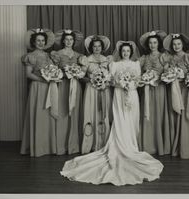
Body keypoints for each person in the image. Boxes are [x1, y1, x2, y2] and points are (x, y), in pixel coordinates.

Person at [60, 41, 163, 186]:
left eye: (128, 51)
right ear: (120, 52)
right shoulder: (114, 64)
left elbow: (139, 81)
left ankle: (131, 146)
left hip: (132, 95)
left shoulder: (135, 65)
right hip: (119, 94)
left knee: (132, 121)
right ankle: (119, 145)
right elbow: (112, 82)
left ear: (131, 52)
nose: (126, 53)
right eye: (124, 51)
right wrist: (121, 83)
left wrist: (130, 84)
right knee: (120, 120)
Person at [20, 28, 58, 157]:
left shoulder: (49, 55)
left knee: (48, 115)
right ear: (33, 42)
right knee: (38, 114)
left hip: (49, 87)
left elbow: (54, 70)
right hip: (38, 87)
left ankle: (48, 146)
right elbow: (28, 74)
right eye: (38, 41)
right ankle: (37, 147)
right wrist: (43, 79)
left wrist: (53, 77)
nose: (41, 43)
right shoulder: (30, 56)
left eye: (43, 41)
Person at [50, 29, 85, 155]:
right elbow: (53, 71)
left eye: (71, 39)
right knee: (63, 113)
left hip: (75, 86)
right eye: (67, 39)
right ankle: (61, 146)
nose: (69, 41)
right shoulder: (57, 54)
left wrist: (77, 73)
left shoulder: (79, 55)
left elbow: (83, 72)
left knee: (74, 114)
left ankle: (74, 145)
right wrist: (64, 74)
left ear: (74, 41)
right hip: (63, 86)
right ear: (63, 41)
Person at [163, 33, 189, 159]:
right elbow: (167, 73)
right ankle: (177, 146)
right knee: (176, 116)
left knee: (186, 115)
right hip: (175, 89)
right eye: (174, 44)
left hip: (187, 88)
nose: (176, 46)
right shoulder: (170, 58)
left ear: (183, 45)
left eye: (178, 44)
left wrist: (187, 75)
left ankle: (187, 148)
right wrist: (170, 74)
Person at [139, 30, 171, 155]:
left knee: (159, 114)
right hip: (147, 90)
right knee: (147, 115)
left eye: (155, 42)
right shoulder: (144, 58)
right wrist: (145, 78)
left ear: (158, 44)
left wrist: (159, 77)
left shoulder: (164, 56)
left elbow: (167, 73)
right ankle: (147, 144)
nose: (153, 45)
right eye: (150, 43)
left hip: (159, 89)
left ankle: (159, 145)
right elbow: (137, 73)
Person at [79, 35, 112, 154]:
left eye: (99, 46)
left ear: (102, 48)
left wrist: (105, 82)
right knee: (91, 113)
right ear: (91, 48)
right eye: (94, 46)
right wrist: (92, 80)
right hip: (91, 90)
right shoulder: (86, 59)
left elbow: (111, 76)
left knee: (104, 114)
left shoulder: (107, 59)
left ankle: (103, 142)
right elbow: (81, 77)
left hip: (104, 90)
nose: (97, 48)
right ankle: (91, 144)